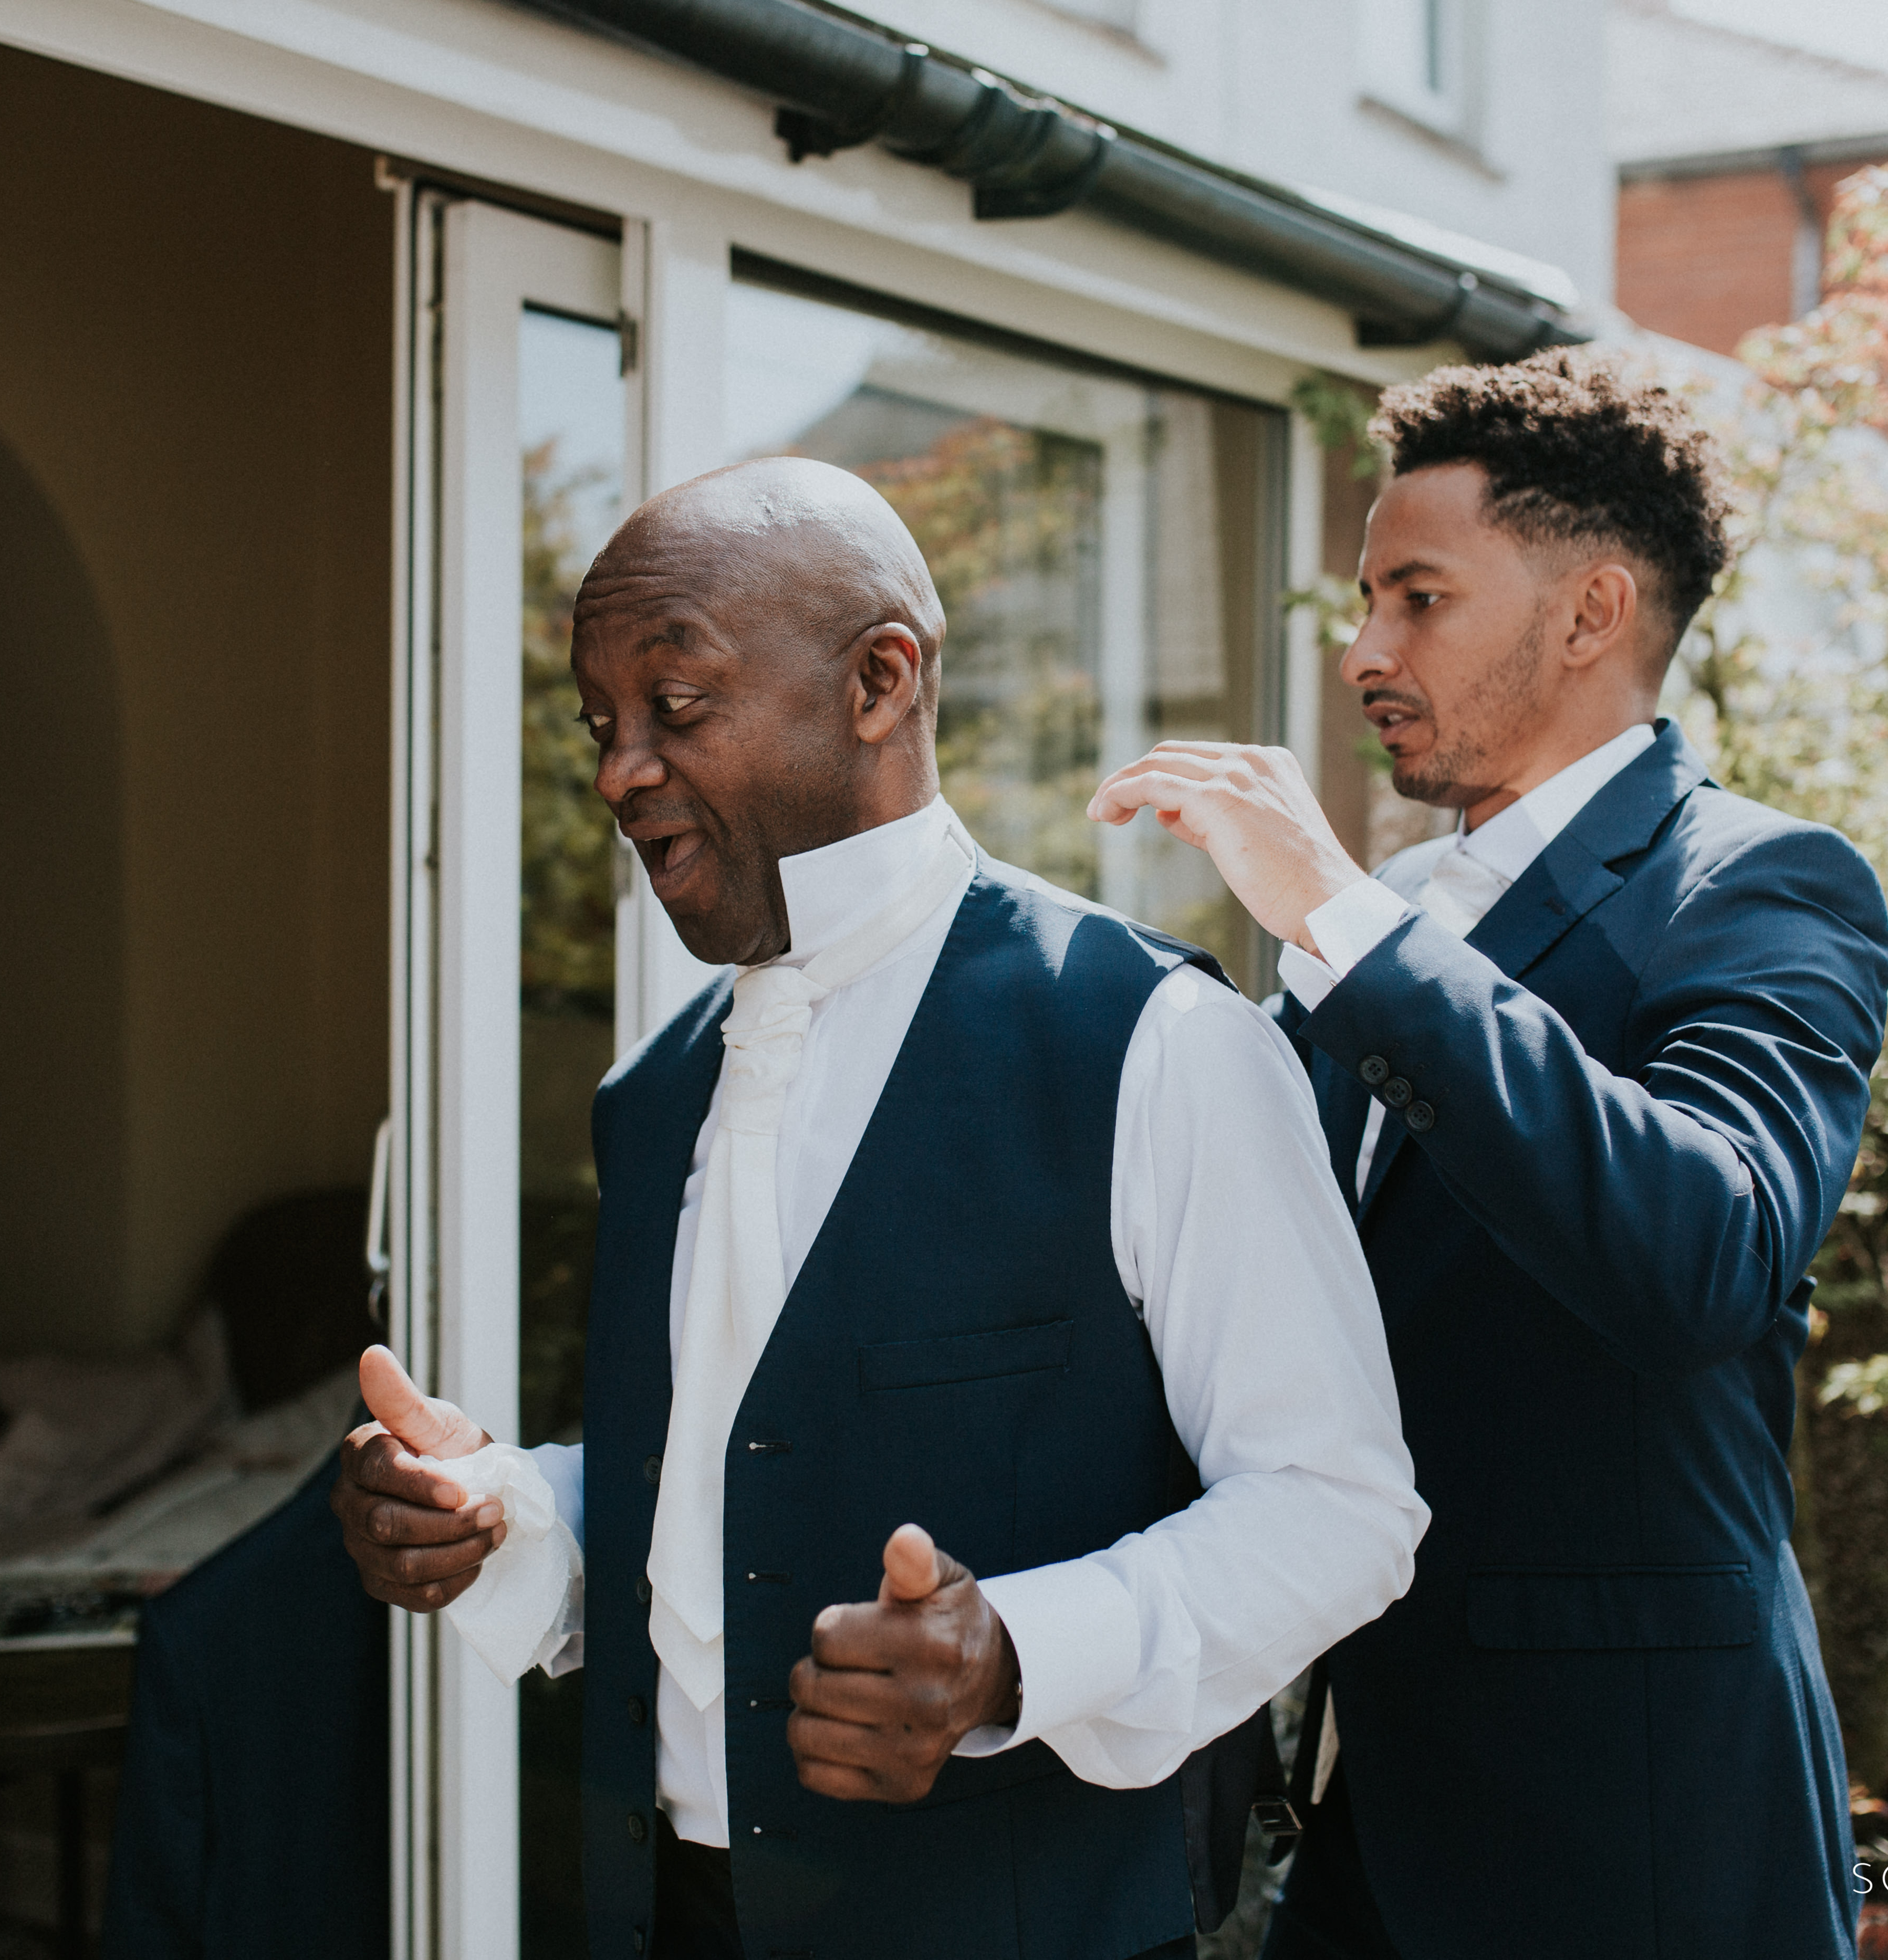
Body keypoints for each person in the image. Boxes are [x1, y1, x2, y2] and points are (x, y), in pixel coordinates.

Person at [332, 457, 1425, 1960]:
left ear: (878, 682)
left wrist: (1016, 1656)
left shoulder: (1154, 1047)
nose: (618, 771)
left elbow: (1341, 1508)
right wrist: (506, 1516)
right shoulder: (658, 1099)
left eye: (678, 705)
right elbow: (738, 1476)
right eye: (601, 727)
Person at [1090, 352, 1888, 1959]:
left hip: (1634, 1830)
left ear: (1591, 613)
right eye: (1367, 601)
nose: (1365, 652)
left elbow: (1706, 1253)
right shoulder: (1388, 932)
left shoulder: (1764, 888)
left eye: (1420, 599)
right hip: (1362, 1818)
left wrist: (1346, 923)